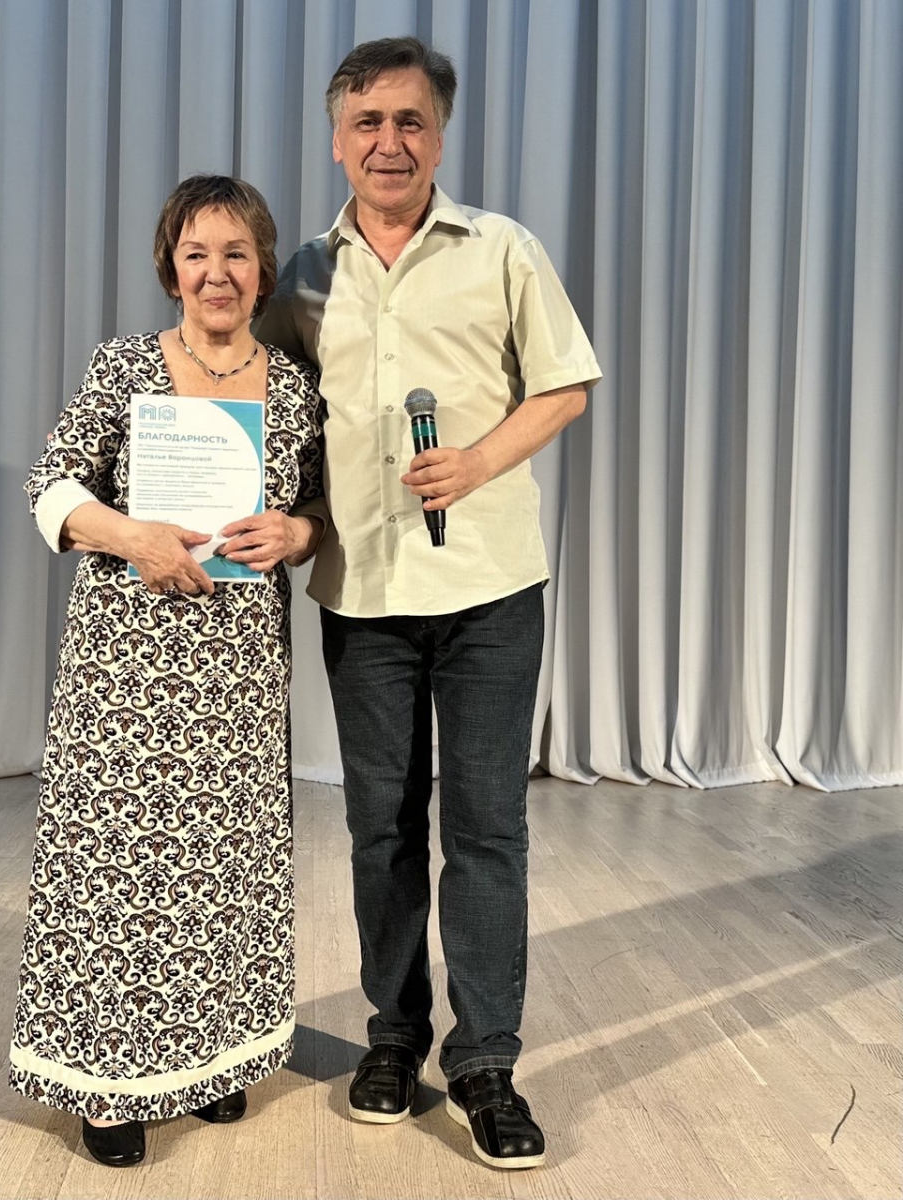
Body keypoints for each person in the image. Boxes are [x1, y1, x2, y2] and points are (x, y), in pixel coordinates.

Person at [258, 37, 601, 1170]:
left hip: (490, 589)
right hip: (363, 593)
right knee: (381, 829)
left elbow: (565, 383)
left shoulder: (501, 248)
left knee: (486, 828)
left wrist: (478, 460)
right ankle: (395, 1037)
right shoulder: (303, 276)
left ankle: (488, 1061)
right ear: (337, 138)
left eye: (410, 121)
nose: (389, 142)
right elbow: (260, 404)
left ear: (440, 136)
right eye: (367, 122)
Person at [9, 175, 325, 1168]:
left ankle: (215, 1060)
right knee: (119, 873)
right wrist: (132, 534)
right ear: (170, 267)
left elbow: (319, 514)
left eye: (236, 254)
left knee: (226, 870)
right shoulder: (124, 367)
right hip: (127, 671)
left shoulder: (294, 387)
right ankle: (109, 1086)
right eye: (197, 254)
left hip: (238, 674)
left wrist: (296, 532)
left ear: (262, 269)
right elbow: (49, 487)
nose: (216, 273)